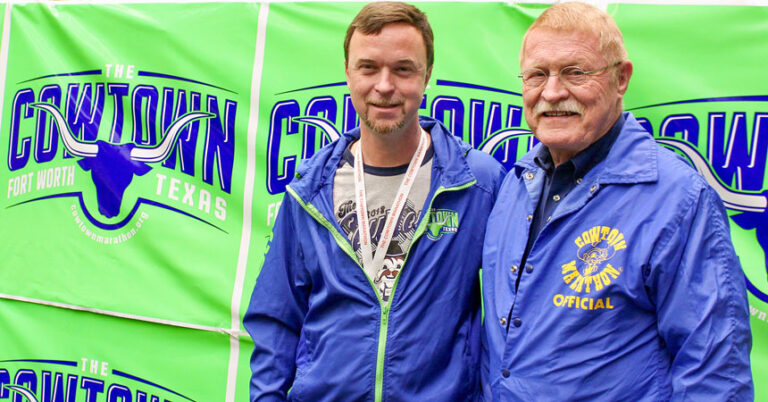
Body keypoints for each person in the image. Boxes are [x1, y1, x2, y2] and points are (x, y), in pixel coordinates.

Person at [482, 2, 753, 400]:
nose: (553, 92)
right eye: (537, 75)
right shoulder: (514, 185)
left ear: (621, 78)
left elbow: (715, 372)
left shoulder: (678, 200)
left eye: (576, 72)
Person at [244, 2, 505, 401]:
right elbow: (276, 320)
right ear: (348, 73)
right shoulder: (309, 189)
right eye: (368, 68)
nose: (384, 86)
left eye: (403, 69)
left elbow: (510, 314)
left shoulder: (476, 184)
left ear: (427, 75)